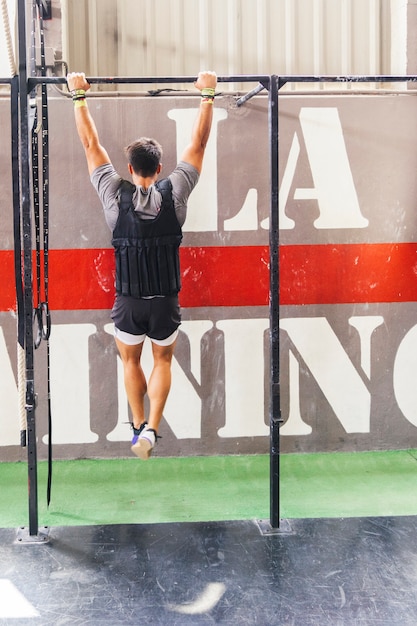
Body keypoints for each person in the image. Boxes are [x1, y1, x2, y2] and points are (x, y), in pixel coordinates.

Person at [66, 70, 217, 460]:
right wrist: (208, 94)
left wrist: (79, 96)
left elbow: (89, 143)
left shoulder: (114, 193)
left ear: (130, 169)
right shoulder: (177, 192)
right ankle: (152, 426)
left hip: (129, 301)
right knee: (162, 359)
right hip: (165, 299)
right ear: (160, 167)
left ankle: (136, 428)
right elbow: (199, 143)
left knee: (130, 360)